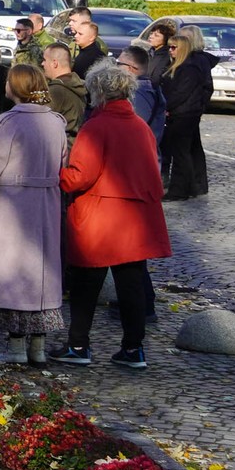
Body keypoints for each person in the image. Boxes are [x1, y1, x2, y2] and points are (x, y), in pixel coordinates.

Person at [54, 63, 171, 369]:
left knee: (85, 286)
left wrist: (58, 175)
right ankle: (133, 348)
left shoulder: (96, 127)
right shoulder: (141, 127)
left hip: (100, 219)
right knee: (131, 286)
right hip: (134, 218)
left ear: (98, 91)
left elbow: (81, 176)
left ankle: (78, 345)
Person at [0, 63, 67, 365]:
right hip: (46, 205)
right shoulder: (55, 122)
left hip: (12, 207)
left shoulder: (7, 123)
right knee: (40, 274)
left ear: (16, 87)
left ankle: (17, 347)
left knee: (14, 274)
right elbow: (62, 162)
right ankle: (38, 346)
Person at [160, 27, 215, 199]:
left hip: (184, 114)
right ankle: (192, 186)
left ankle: (180, 190)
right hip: (184, 112)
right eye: (169, 47)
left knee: (181, 153)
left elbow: (181, 93)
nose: (170, 50)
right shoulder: (180, 65)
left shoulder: (190, 67)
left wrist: (166, 107)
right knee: (186, 151)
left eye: (173, 47)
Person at [119, 45, 167, 150]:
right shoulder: (147, 88)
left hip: (139, 152)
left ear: (131, 68)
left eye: (119, 64)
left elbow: (134, 128)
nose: (116, 68)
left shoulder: (139, 92)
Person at [41, 44, 88, 136]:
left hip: (59, 142)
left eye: (45, 60)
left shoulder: (55, 91)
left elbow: (38, 122)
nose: (42, 64)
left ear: (55, 63)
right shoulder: (78, 85)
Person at [68, 11, 109, 77]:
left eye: (80, 34)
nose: (76, 36)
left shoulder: (94, 58)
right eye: (76, 33)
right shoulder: (83, 52)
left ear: (92, 37)